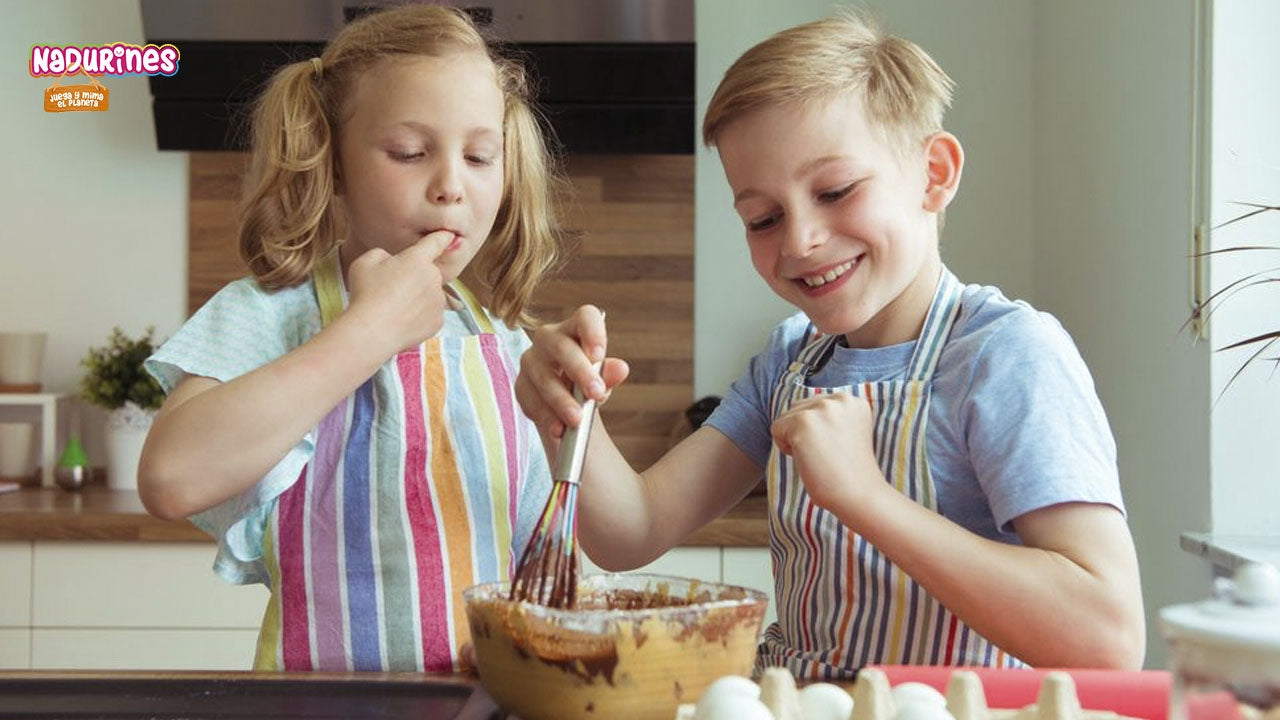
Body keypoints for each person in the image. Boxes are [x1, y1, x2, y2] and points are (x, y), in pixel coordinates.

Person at [514, 12, 1145, 679]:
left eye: (836, 191)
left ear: (933, 173)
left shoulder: (1006, 356)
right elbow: (631, 531)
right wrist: (568, 411)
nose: (799, 241)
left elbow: (1105, 636)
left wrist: (865, 497)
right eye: (763, 218)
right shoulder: (790, 359)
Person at [137, 5, 564, 673]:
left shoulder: (507, 346)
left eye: (480, 156)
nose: (452, 185)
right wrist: (367, 333)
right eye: (409, 152)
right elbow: (170, 478)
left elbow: (546, 566)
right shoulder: (271, 314)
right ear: (333, 164)